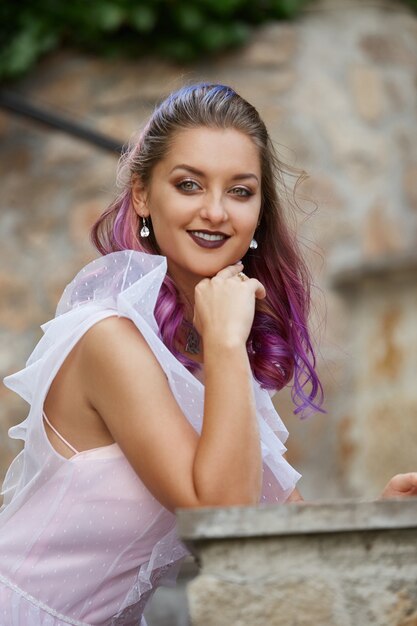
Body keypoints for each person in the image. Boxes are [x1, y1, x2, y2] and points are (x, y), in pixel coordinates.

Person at [0, 83, 416, 625]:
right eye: (189, 185)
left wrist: (378, 522)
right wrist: (225, 344)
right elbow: (223, 517)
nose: (216, 212)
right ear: (144, 195)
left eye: (240, 192)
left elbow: (275, 528)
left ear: (259, 211)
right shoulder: (109, 339)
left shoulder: (206, 345)